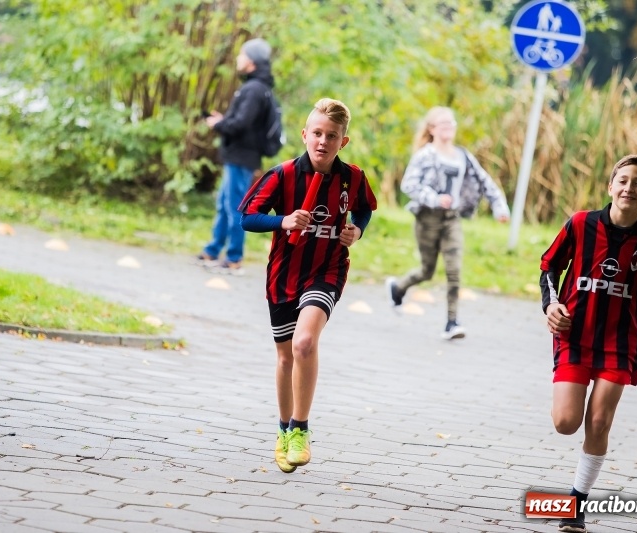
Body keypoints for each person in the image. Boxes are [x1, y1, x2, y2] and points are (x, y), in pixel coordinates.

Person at [540, 154, 637, 533]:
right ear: (610, 187)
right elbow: (549, 266)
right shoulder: (580, 224)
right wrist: (552, 303)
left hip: (622, 345)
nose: (629, 188)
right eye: (623, 180)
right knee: (565, 422)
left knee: (599, 421)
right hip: (575, 335)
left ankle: (576, 505)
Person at [239, 98, 377, 473]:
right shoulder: (282, 174)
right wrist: (282, 221)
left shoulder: (353, 177)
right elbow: (248, 218)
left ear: (342, 142)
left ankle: (301, 428)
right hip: (283, 276)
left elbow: (364, 207)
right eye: (317, 133)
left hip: (327, 270)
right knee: (285, 356)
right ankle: (284, 430)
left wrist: (357, 229)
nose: (323, 141)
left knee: (304, 342)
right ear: (304, 135)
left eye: (332, 136)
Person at [385, 106, 510, 339]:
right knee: (427, 270)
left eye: (451, 123)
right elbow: (408, 185)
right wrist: (434, 198)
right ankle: (397, 288)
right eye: (443, 124)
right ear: (432, 129)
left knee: (455, 271)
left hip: (452, 220)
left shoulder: (463, 156)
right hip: (427, 219)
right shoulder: (425, 155)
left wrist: (499, 207)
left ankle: (452, 322)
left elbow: (485, 181)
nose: (448, 128)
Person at [197, 38, 275, 273]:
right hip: (237, 157)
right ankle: (212, 251)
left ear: (251, 60)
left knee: (236, 207)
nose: (238, 59)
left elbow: (241, 125)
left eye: (242, 54)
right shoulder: (254, 87)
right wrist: (223, 121)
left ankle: (233, 259)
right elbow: (243, 122)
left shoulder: (254, 90)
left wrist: (218, 124)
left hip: (243, 158)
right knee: (224, 204)